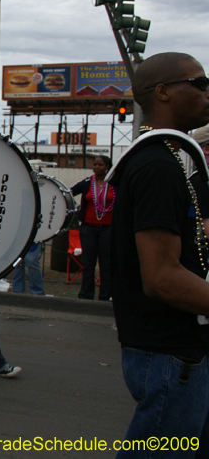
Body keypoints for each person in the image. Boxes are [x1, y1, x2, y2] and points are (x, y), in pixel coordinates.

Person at [111, 52, 209, 456]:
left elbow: (185, 241)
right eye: (200, 84)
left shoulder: (171, 159)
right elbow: (161, 277)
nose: (207, 93)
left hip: (180, 351)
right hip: (172, 355)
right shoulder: (156, 165)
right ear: (164, 92)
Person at [71, 155, 114, 300]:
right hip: (88, 229)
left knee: (106, 265)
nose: (96, 167)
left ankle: (105, 296)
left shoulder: (115, 183)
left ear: (107, 166)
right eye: (95, 164)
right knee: (88, 264)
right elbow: (69, 192)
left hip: (108, 229)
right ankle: (86, 295)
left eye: (100, 165)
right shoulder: (87, 182)